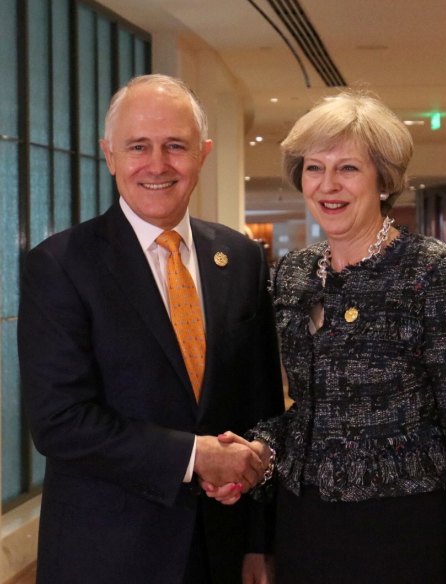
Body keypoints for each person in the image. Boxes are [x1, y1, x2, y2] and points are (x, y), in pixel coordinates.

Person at [205, 91, 446, 583]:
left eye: (348, 168)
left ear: (383, 179)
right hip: (304, 522)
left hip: (402, 526)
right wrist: (259, 452)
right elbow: (310, 410)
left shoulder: (435, 272)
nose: (328, 185)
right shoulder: (294, 274)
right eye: (313, 168)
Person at [18, 74, 284, 584]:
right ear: (109, 155)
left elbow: (263, 407)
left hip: (224, 550)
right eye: (138, 146)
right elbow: (59, 421)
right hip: (109, 557)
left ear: (203, 154)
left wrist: (259, 542)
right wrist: (194, 456)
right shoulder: (60, 265)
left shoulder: (243, 258)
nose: (157, 165)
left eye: (175, 146)